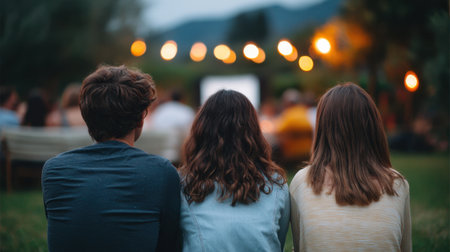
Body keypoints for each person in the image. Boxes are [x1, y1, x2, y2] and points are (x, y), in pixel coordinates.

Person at [42, 65, 181, 252]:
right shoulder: (162, 172)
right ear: (141, 119)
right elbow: (169, 244)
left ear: (87, 116)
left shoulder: (53, 170)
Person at [290, 83, 411, 252]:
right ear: (373, 127)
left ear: (322, 128)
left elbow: (301, 246)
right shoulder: (397, 184)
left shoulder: (302, 182)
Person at [179, 90, 290, 252]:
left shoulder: (183, 183)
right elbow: (278, 242)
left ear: (201, 130)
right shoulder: (276, 185)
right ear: (254, 131)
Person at [275, 88, 313, 162]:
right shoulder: (307, 112)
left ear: (287, 102)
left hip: (292, 153)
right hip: (308, 151)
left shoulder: (288, 114)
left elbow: (278, 131)